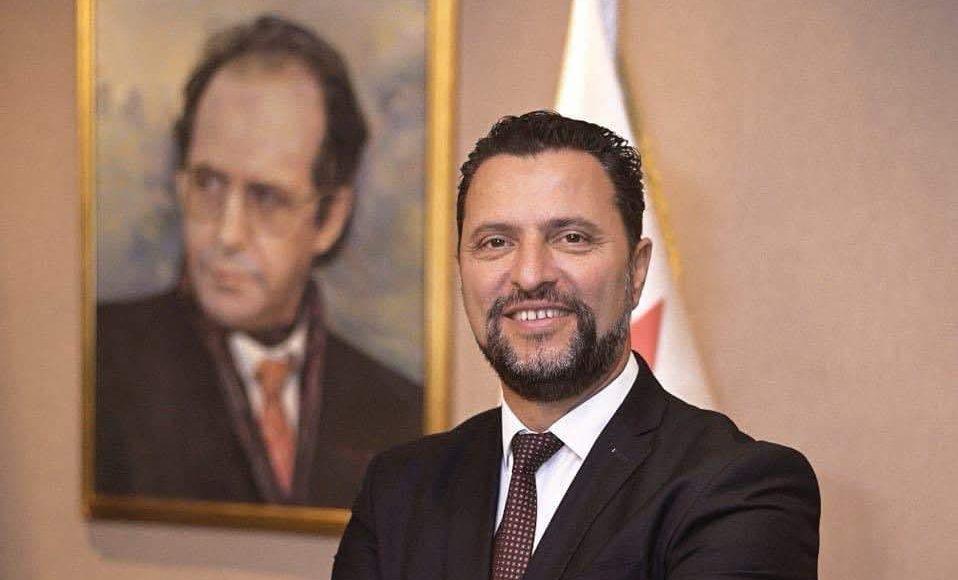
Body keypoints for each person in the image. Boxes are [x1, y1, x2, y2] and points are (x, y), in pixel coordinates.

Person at [333, 111, 820, 579]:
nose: (529, 275)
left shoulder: (740, 488)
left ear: (636, 272)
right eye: (496, 242)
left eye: (571, 237)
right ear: (461, 270)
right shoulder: (398, 487)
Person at [95, 15, 422, 508]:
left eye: (266, 197)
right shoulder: (102, 365)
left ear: (330, 217)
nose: (227, 234)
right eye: (208, 184)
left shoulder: (400, 409)